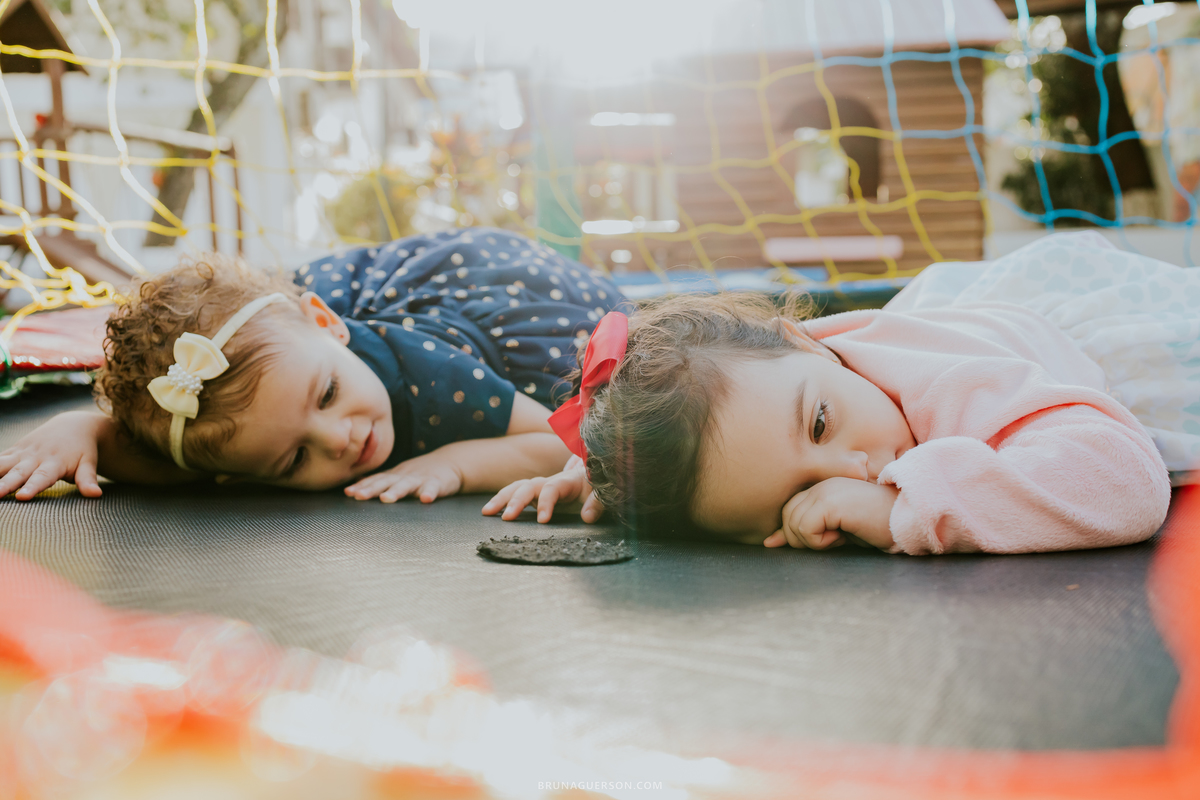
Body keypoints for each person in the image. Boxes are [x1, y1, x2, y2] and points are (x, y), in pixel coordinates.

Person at [486, 231, 1191, 555]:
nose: (855, 473)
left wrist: (902, 513)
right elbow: (727, 437)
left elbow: (1125, 484)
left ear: (805, 338)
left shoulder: (950, 378)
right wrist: (604, 468)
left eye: (821, 425)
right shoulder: (785, 388)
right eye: (791, 500)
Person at [0, 228, 629, 503]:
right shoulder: (255, 420)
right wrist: (84, 430)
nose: (340, 438)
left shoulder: (426, 370)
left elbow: (554, 443)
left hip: (499, 302)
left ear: (329, 325)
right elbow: (181, 463)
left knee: (615, 380)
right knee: (260, 356)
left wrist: (453, 464)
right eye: (293, 460)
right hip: (304, 350)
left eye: (327, 395)